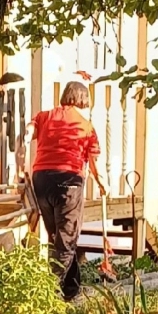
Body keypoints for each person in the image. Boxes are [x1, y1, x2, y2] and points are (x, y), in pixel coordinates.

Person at [19, 81, 107, 299]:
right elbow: (94, 162)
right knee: (66, 241)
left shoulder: (44, 116)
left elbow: (29, 131)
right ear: (83, 100)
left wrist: (24, 147)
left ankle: (71, 289)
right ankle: (50, 294)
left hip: (42, 181)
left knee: (57, 237)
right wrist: (102, 183)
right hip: (69, 182)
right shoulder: (86, 127)